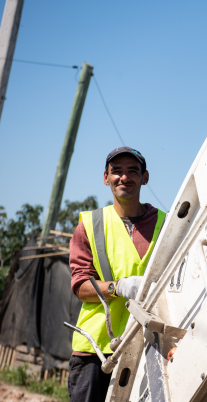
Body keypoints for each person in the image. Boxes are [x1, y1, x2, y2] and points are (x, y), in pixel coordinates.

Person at [67, 147, 166, 402]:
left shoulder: (167, 225)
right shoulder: (90, 225)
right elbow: (80, 286)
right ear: (105, 178)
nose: (124, 177)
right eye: (116, 171)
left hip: (149, 348)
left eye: (133, 171)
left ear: (145, 178)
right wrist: (117, 287)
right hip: (96, 350)